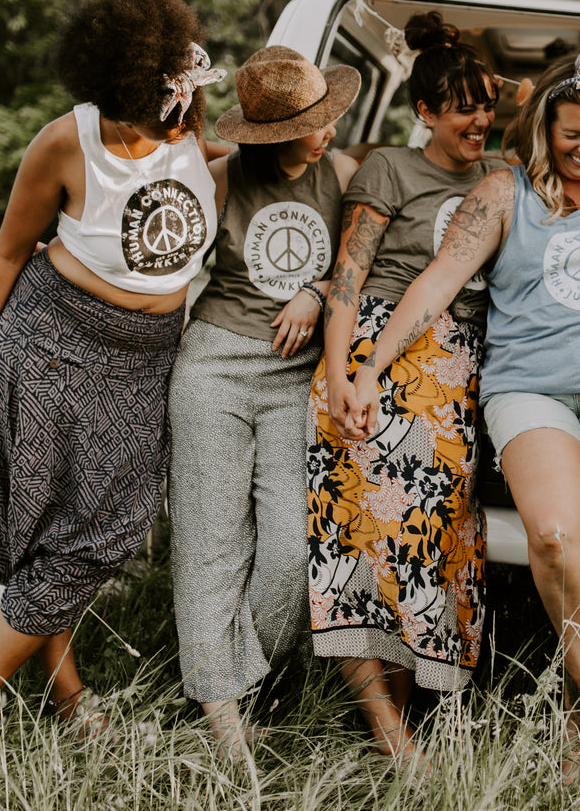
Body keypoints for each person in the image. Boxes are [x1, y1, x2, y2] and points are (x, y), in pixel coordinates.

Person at [342, 49, 580, 769]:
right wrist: (370, 364)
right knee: (558, 537)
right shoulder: (503, 194)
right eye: (572, 136)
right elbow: (439, 282)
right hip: (528, 388)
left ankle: (574, 721)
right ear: (542, 128)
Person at [0, 0, 227, 773]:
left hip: (144, 361)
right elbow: (7, 252)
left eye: (162, 100)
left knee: (102, 532)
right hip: (49, 345)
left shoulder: (194, 124)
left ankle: (22, 696)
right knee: (51, 538)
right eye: (133, 106)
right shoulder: (65, 143)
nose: (153, 119)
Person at [310, 12, 503, 765]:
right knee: (353, 539)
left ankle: (403, 709)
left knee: (426, 545)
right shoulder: (390, 169)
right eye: (463, 107)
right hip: (375, 358)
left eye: (486, 104)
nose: (479, 119)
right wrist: (339, 377)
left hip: (455, 371)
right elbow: (348, 281)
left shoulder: (502, 175)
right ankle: (390, 736)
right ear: (425, 112)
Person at [167, 46, 360, 755]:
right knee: (210, 545)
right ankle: (222, 714)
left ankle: (239, 672)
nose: (328, 132)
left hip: (292, 381)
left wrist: (316, 292)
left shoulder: (341, 176)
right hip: (213, 368)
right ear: (274, 133)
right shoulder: (220, 180)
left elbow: (363, 256)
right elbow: (168, 271)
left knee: (289, 547)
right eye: (314, 124)